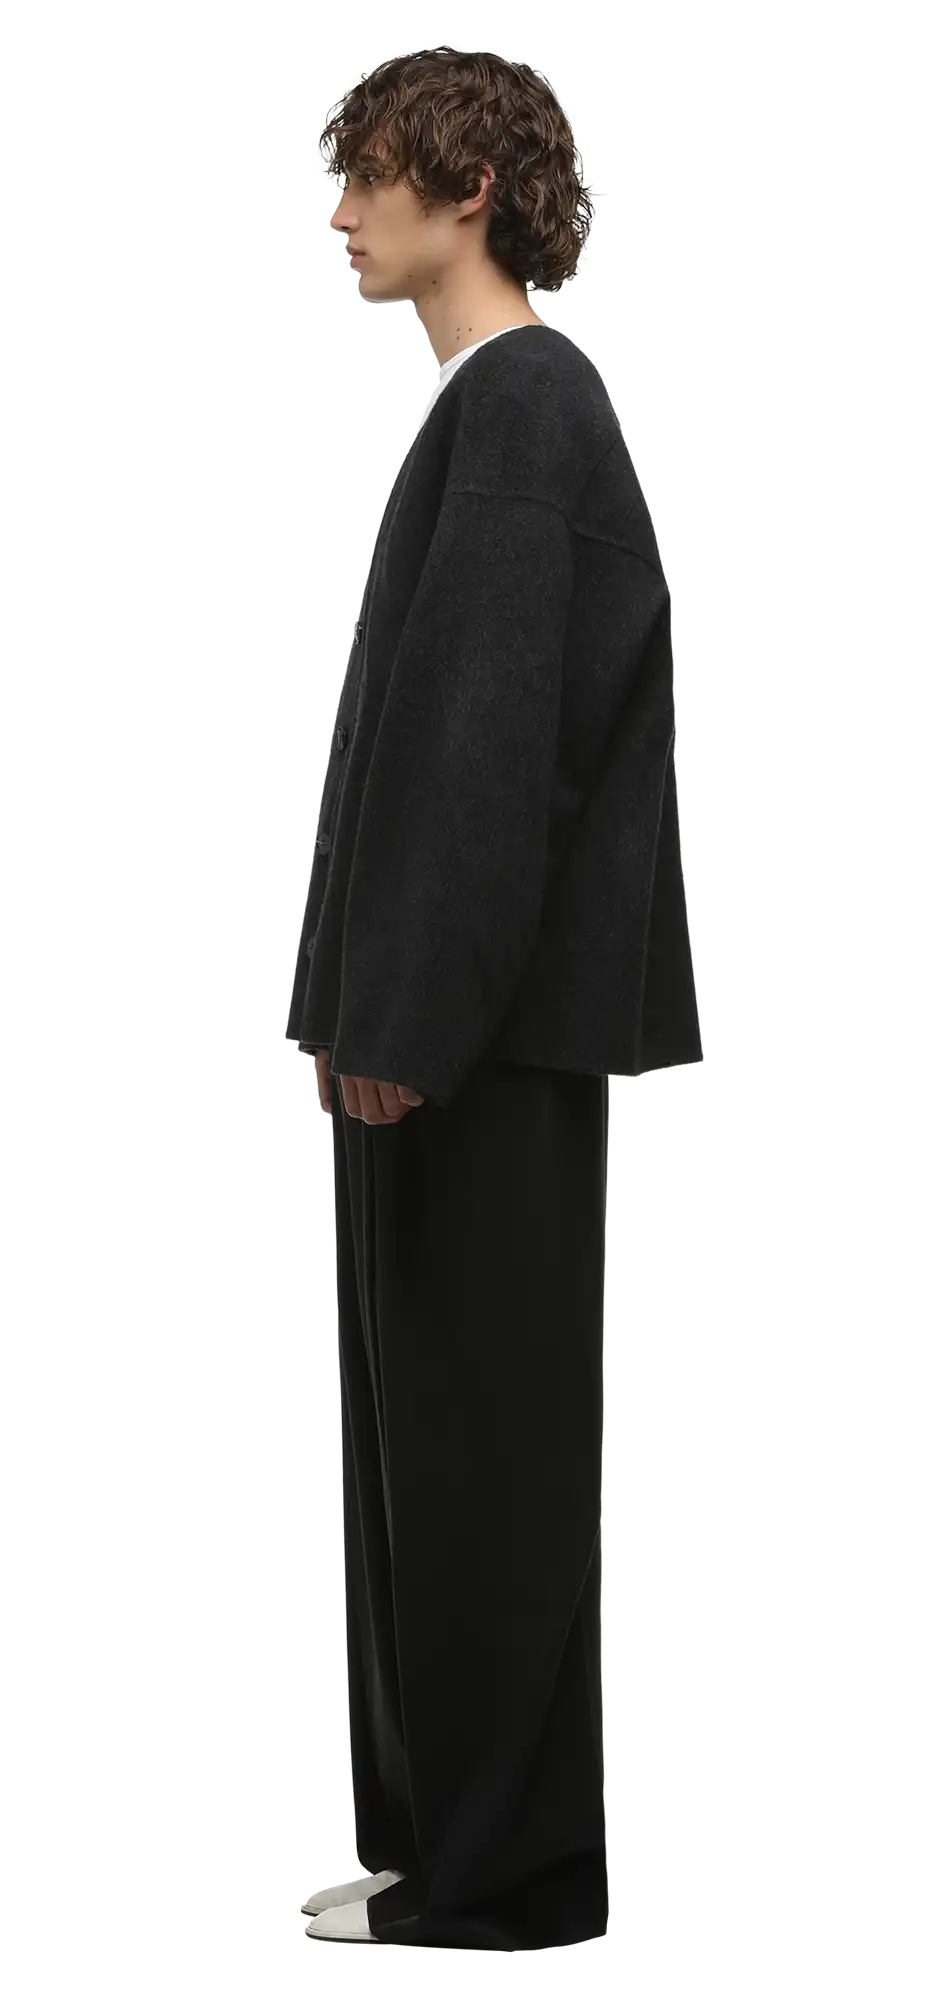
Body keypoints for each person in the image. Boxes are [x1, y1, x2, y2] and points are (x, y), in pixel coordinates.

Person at [286, 44, 703, 1952]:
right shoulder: (494, 408)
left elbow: (485, 757)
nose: (342, 211)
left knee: (480, 1453)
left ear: (467, 188)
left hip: (477, 1042)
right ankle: (436, 1838)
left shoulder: (527, 404)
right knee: (423, 1438)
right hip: (450, 1028)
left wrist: (404, 1022)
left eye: (372, 173)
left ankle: (495, 1870)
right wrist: (362, 1007)